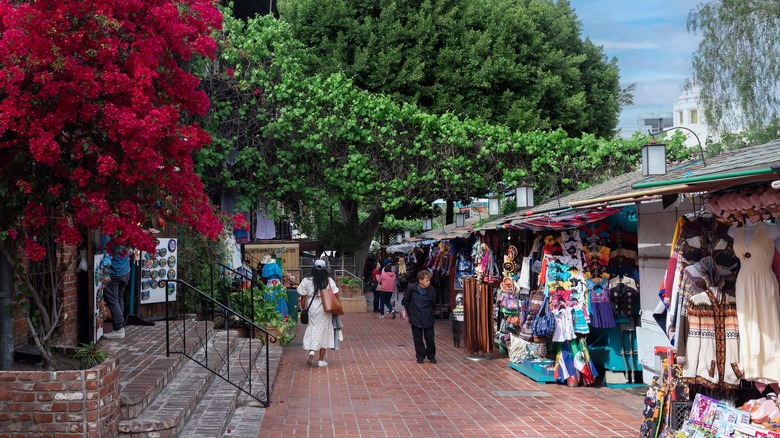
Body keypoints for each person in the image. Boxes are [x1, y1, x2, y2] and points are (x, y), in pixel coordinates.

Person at [297, 259, 339, 367]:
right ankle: (321, 360)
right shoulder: (328, 281)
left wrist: (303, 308)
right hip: (325, 307)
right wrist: (338, 306)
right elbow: (336, 294)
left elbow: (303, 296)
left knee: (313, 328)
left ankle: (312, 350)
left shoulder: (306, 280)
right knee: (324, 331)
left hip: (312, 308)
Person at [402, 270, 438, 364]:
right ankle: (420, 355)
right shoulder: (412, 288)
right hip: (415, 317)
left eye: (429, 280)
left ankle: (431, 355)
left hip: (428, 316)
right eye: (427, 280)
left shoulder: (432, 290)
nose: (428, 282)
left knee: (430, 337)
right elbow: (406, 301)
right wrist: (411, 313)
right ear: (420, 280)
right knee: (417, 338)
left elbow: (433, 303)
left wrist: (430, 312)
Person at [101, 235, 131, 340]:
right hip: (125, 271)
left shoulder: (108, 235)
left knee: (112, 301)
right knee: (119, 299)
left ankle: (119, 328)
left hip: (114, 272)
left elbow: (106, 252)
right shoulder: (125, 231)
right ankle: (119, 326)